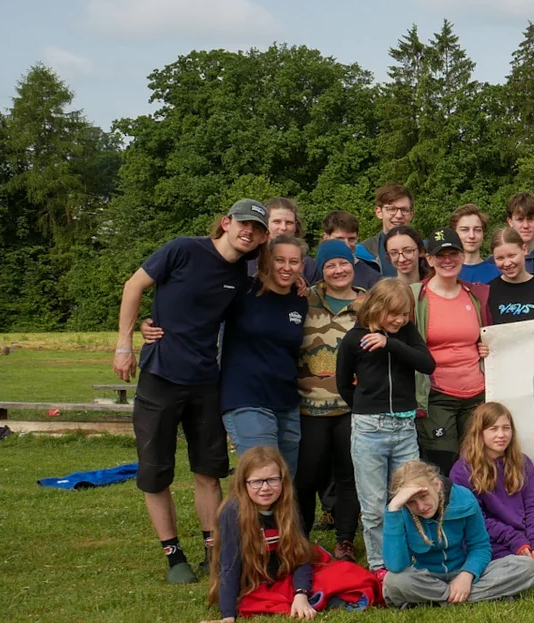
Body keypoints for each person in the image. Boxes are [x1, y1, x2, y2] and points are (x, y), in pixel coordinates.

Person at [115, 198, 267, 583]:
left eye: (257, 229)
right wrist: (125, 343)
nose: (248, 232)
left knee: (207, 470)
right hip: (160, 376)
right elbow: (134, 285)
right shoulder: (183, 249)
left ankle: (212, 551)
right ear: (226, 223)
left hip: (205, 382)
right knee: (155, 470)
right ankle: (173, 555)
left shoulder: (243, 277)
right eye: (243, 224)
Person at [203, 446, 379, 623]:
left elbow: (301, 557)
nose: (265, 488)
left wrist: (300, 593)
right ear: (243, 483)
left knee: (348, 574)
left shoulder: (288, 506)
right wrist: (228, 616)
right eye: (256, 482)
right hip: (255, 582)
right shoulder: (233, 512)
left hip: (287, 574)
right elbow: (229, 565)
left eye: (272, 480)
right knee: (259, 601)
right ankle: (323, 599)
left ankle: (312, 597)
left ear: (283, 480)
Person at [335, 279, 433, 577]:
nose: (399, 320)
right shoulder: (354, 338)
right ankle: (380, 564)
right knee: (375, 503)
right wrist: (366, 408)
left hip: (404, 429)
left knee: (410, 494)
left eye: (404, 314)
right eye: (394, 314)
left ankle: (413, 557)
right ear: (377, 308)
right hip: (369, 429)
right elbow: (343, 384)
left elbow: (427, 364)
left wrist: (391, 343)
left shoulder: (405, 334)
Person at [380, 459, 534, 606]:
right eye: (411, 502)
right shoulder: (398, 511)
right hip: (426, 577)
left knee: (526, 566)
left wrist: (467, 575)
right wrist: (393, 510)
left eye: (424, 496)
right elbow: (396, 565)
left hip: (462, 570)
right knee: (394, 581)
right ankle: (463, 597)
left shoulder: (463, 498)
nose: (421, 506)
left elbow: (480, 546)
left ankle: (439, 599)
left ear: (436, 485)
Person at [217, 231, 307, 467]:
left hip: (287, 404)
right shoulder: (243, 291)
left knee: (285, 485)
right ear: (266, 261)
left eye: (293, 261)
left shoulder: (301, 300)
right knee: (264, 477)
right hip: (247, 399)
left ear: (302, 266)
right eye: (279, 260)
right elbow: (198, 307)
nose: (286, 267)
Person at [451, 402, 534, 586]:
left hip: (524, 542)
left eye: (506, 428)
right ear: (480, 432)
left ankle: (521, 577)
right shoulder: (462, 470)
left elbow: (533, 506)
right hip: (488, 544)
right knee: (531, 576)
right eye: (493, 429)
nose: (501, 435)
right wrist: (516, 542)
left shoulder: (522, 462)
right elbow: (476, 520)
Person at [295, 239, 361, 540]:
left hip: (352, 407)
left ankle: (345, 540)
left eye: (343, 263)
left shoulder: (368, 303)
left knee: (349, 477)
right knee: (307, 478)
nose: (338, 270)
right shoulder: (303, 299)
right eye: (330, 265)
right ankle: (300, 540)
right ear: (320, 270)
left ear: (353, 264)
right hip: (310, 406)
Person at [414, 229, 490, 471]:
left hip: (476, 395)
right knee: (443, 466)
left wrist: (488, 348)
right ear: (429, 259)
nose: (447, 260)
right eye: (440, 255)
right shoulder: (416, 297)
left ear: (462, 255)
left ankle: (476, 510)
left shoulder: (476, 295)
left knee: (476, 464)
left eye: (453, 253)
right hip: (437, 396)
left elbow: (491, 335)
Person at [481, 228, 534, 326]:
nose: (507, 263)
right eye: (500, 258)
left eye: (512, 256)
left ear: (524, 249)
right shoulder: (487, 293)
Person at [371, 185, 415, 278]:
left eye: (404, 210)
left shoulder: (426, 249)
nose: (399, 215)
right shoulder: (365, 252)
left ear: (411, 214)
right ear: (379, 212)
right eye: (392, 209)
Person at [503, 193, 534, 274]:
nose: (526, 225)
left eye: (530, 219)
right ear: (510, 221)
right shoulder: (497, 262)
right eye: (520, 219)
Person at [451, 204, 493, 286]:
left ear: (483, 234)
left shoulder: (497, 272)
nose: (472, 236)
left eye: (477, 230)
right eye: (465, 230)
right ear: (454, 233)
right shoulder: (446, 271)